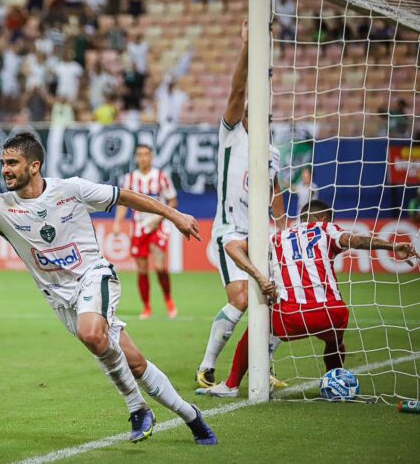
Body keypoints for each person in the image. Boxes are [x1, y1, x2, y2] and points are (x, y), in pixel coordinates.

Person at [0, 133, 218, 445]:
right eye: (3, 163)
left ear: (34, 165)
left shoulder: (71, 189)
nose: (5, 170)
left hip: (93, 276)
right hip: (59, 298)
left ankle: (137, 408)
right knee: (136, 363)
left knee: (91, 335)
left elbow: (126, 196)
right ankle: (192, 417)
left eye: (12, 163)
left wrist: (174, 214)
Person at [199, 200, 418, 396]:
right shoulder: (325, 228)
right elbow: (356, 241)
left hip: (292, 316)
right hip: (333, 315)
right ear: (324, 219)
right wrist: (392, 246)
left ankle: (230, 385)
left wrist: (258, 276)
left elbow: (231, 246)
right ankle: (335, 382)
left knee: (257, 329)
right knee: (334, 341)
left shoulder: (277, 238)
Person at [196, 21, 287, 388]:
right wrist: (248, 46)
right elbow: (236, 89)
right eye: (251, 108)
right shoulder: (232, 135)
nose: (254, 113)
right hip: (230, 232)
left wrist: (284, 226)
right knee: (240, 297)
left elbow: (275, 190)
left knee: (281, 300)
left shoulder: (273, 152)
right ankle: (206, 367)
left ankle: (261, 366)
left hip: (264, 235)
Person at [113, 145, 179, 320]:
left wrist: (161, 216)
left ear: (151, 157)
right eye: (140, 155)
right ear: (136, 158)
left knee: (158, 266)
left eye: (146, 155)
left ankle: (168, 300)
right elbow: (123, 203)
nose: (143, 158)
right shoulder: (129, 179)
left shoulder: (161, 177)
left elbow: (172, 201)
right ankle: (147, 307)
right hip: (139, 227)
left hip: (158, 226)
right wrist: (118, 223)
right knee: (142, 269)